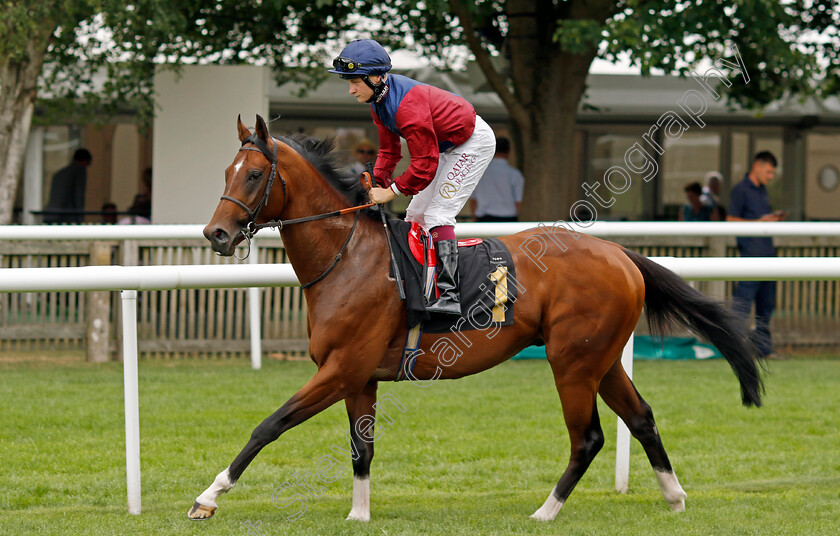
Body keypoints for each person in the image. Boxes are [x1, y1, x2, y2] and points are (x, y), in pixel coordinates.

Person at [328, 39, 496, 315]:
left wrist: (390, 191)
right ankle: (421, 284)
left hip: (471, 143)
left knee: (439, 215)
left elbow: (424, 164)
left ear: (377, 76)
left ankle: (450, 294)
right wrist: (376, 183)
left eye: (355, 81)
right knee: (415, 216)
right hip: (443, 147)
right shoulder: (379, 101)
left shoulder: (406, 107)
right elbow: (389, 151)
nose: (351, 90)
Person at [727, 151, 787, 360]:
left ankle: (764, 349)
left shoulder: (763, 191)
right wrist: (758, 224)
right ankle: (734, 349)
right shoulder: (741, 190)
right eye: (769, 172)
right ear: (758, 166)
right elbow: (730, 219)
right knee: (742, 305)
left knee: (766, 305)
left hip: (768, 255)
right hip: (750, 257)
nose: (771, 176)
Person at [469, 137, 524, 222]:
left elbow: (473, 199)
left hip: (484, 218)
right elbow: (518, 202)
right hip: (508, 218)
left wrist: (474, 217)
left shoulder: (480, 172)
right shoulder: (515, 174)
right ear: (508, 151)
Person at [44, 148, 91, 223]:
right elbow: (78, 196)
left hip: (50, 215)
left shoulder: (59, 174)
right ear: (85, 161)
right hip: (67, 218)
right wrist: (80, 219)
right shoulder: (79, 171)